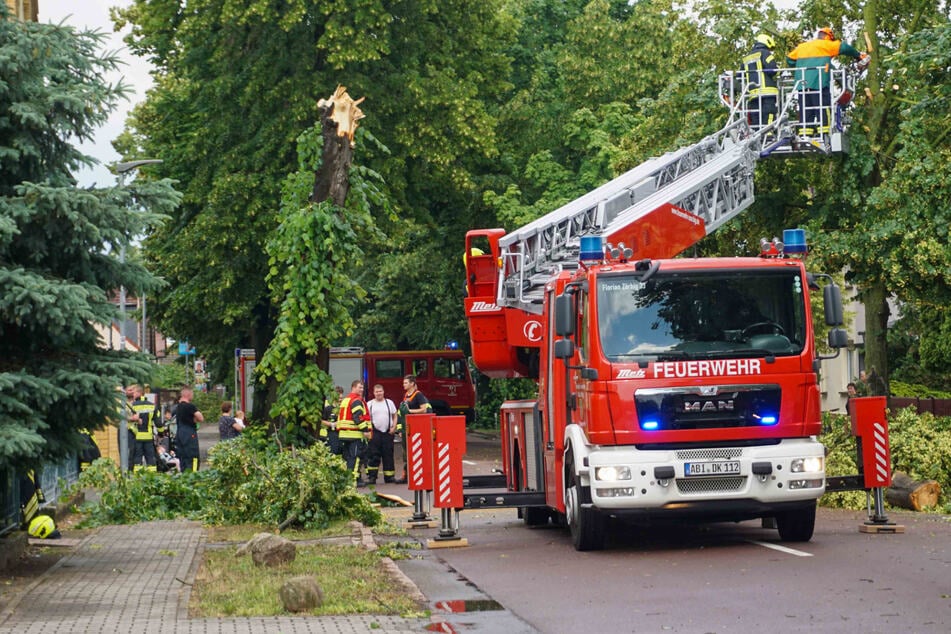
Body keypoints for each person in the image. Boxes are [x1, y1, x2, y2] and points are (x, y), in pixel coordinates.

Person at [786, 27, 867, 137]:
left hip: (802, 85)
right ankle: (825, 135)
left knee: (806, 112)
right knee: (823, 108)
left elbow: (790, 60)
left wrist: (805, 64)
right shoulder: (825, 44)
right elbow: (843, 47)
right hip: (819, 83)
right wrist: (858, 56)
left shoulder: (802, 47)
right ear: (828, 37)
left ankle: (806, 136)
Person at [396, 374, 434, 483]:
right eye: (403, 383)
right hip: (406, 428)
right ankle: (406, 475)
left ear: (412, 383)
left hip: (416, 428)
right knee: (406, 453)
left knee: (415, 452)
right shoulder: (406, 395)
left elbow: (424, 410)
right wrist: (399, 429)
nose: (403, 385)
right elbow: (400, 413)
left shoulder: (418, 395)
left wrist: (410, 412)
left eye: (406, 383)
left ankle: (416, 475)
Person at [336, 380, 371, 485]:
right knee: (355, 458)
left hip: (344, 434)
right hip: (354, 434)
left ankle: (351, 479)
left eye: (362, 387)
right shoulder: (356, 400)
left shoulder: (346, 400)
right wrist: (365, 430)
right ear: (353, 387)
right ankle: (353, 480)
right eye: (359, 387)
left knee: (347, 458)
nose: (362, 389)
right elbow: (357, 418)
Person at [743, 33, 779, 130]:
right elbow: (773, 69)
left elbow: (740, 75)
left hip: (753, 93)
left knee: (756, 114)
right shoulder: (766, 53)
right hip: (767, 91)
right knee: (769, 111)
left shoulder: (747, 57)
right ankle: (768, 132)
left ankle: (757, 133)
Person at [365, 384, 399, 484]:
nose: (379, 393)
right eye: (377, 392)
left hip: (388, 432)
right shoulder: (369, 404)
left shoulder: (389, 403)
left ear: (383, 392)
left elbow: (395, 415)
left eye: (380, 391)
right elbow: (366, 418)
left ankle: (389, 477)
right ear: (374, 393)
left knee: (388, 454)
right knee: (373, 455)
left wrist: (394, 427)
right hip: (375, 432)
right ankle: (372, 477)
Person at [128, 385, 159, 472]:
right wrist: (161, 433)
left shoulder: (132, 406)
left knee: (137, 459)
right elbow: (159, 423)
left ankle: (138, 478)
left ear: (139, 393)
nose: (133, 394)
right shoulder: (152, 406)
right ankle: (152, 478)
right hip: (148, 437)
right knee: (150, 459)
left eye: (134, 392)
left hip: (136, 437)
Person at [173, 386, 204, 472]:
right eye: (192, 394)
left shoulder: (177, 407)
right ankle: (193, 475)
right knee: (193, 456)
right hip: (189, 433)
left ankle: (184, 476)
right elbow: (201, 418)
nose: (192, 396)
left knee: (183, 456)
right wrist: (195, 419)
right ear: (188, 394)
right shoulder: (190, 406)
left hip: (180, 433)